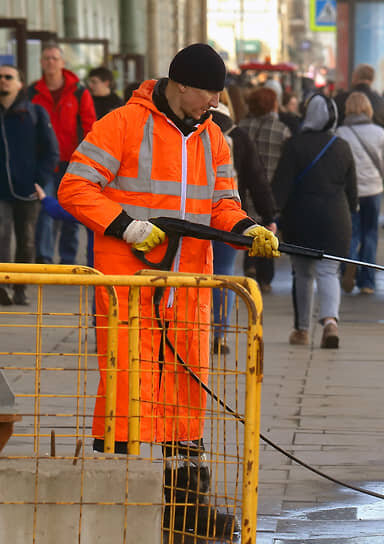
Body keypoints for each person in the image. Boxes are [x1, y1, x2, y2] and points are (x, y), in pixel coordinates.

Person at [57, 43, 280, 539]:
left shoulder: (215, 139)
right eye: (208, 93)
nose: (215, 103)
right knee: (125, 390)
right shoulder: (121, 125)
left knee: (186, 395)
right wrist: (126, 226)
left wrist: (246, 227)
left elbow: (222, 203)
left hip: (190, 288)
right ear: (181, 86)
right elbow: (74, 186)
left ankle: (186, 507)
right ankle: (112, 499)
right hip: (128, 288)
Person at [273, 94, 357, 348]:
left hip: (301, 218)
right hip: (336, 219)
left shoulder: (294, 145)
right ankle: (330, 321)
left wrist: (272, 215)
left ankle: (302, 330)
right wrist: (351, 210)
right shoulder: (342, 146)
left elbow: (281, 187)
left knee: (302, 273)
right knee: (329, 271)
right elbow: (352, 190)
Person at [209, 96, 277, 354]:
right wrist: (268, 216)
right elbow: (257, 179)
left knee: (190, 275)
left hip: (190, 216)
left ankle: (190, 328)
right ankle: (220, 333)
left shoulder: (187, 129)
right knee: (224, 274)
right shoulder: (238, 135)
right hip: (229, 215)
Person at [28, 43, 96, 265]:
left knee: (73, 213)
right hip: (44, 162)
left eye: (54, 58)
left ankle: (68, 260)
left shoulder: (79, 91)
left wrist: (87, 161)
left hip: (73, 162)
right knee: (45, 211)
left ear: (62, 62)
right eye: (46, 58)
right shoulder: (32, 92)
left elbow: (89, 127)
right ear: (41, 62)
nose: (50, 62)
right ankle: (44, 258)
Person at [0, 64, 59, 306]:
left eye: (8, 77)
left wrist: (39, 180)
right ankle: (2, 286)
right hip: (1, 190)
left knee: (26, 239)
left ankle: (21, 287)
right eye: (0, 77)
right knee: (1, 236)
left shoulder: (34, 113)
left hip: (27, 189)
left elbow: (51, 151)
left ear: (19, 83)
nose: (3, 80)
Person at [335, 92, 384, 295]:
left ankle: (349, 267)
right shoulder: (379, 132)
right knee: (370, 234)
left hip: (350, 192)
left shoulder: (340, 132)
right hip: (373, 190)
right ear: (369, 109)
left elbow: (338, 163)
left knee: (352, 233)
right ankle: (367, 281)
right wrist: (378, 178)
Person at [238, 86, 291, 293]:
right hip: (269, 190)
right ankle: (265, 278)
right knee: (268, 234)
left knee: (246, 230)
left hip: (244, 190)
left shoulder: (241, 127)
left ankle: (249, 266)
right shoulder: (282, 130)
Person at [334, 64, 384, 149]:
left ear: (355, 77)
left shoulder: (339, 99)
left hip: (344, 154)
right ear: (372, 79)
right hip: (375, 155)